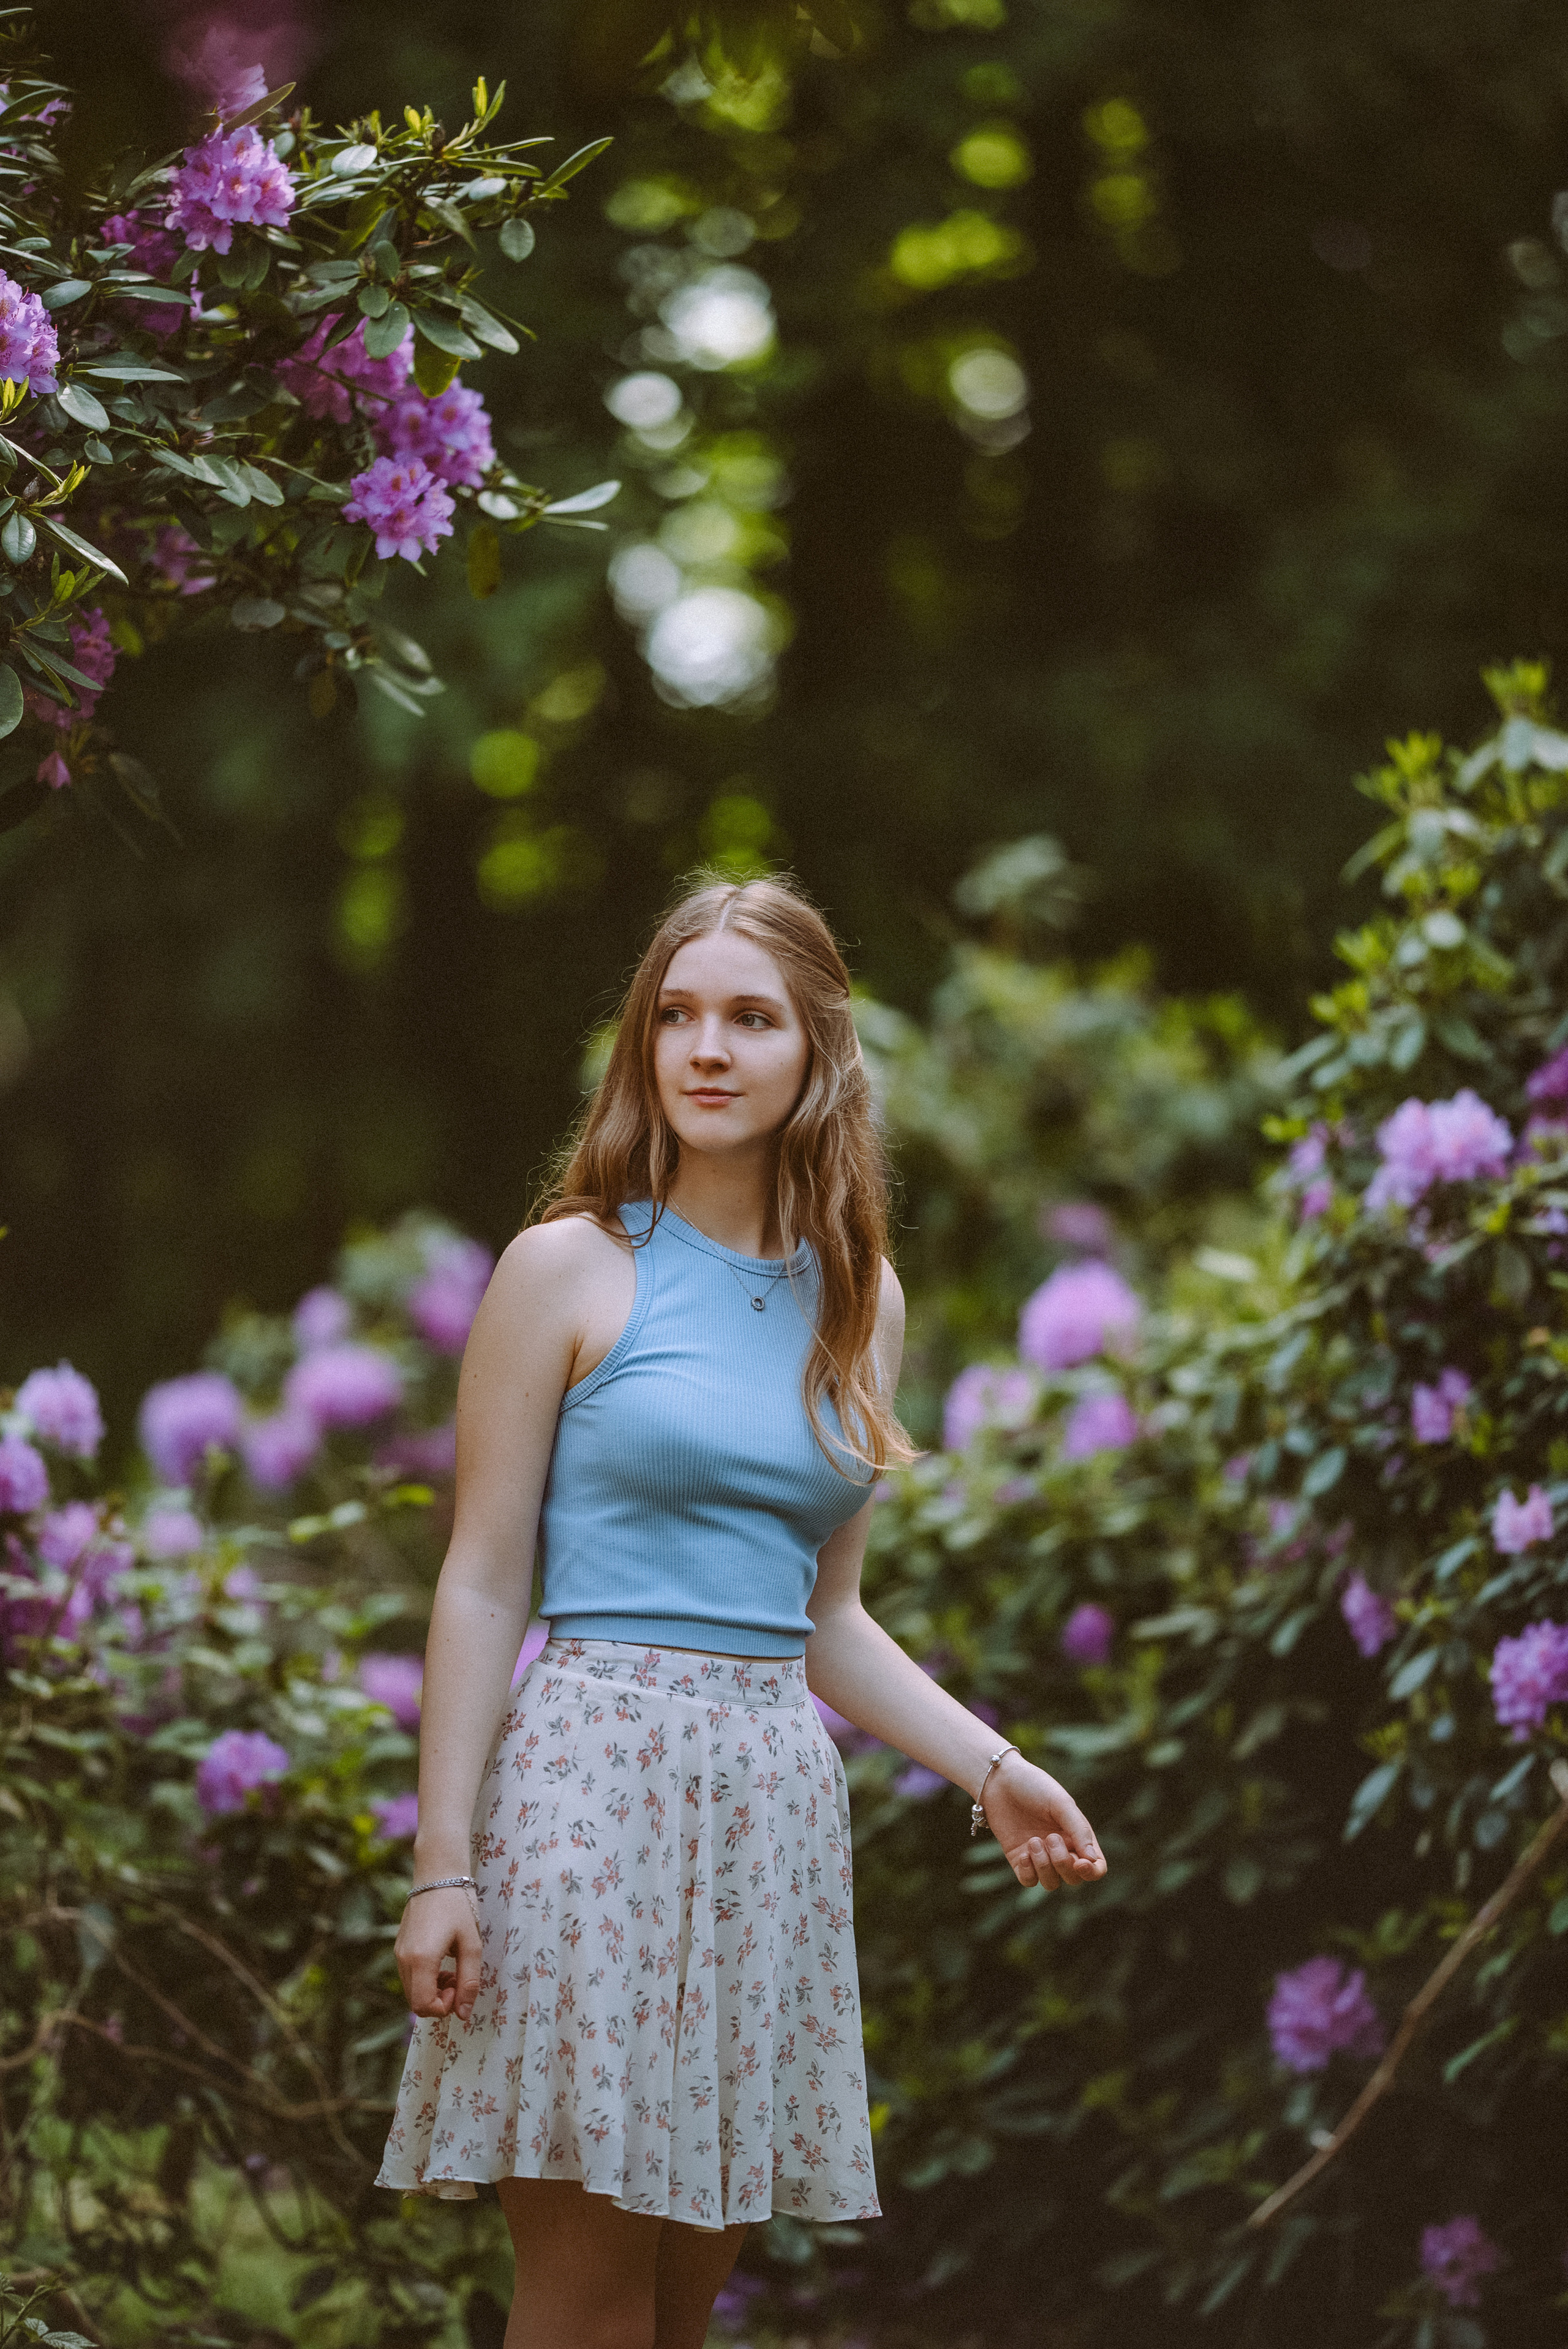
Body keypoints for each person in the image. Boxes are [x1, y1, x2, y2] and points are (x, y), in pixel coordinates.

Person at [377, 874, 1106, 2349]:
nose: (706, 1049)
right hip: (591, 1783)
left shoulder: (862, 1301)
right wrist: (442, 1866)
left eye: (750, 1019)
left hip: (767, 1811)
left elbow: (823, 1615)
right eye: (678, 1016)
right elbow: (481, 1574)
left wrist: (991, 1765)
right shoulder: (569, 1265)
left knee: (679, 2312)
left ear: (816, 1053)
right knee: (584, 2302)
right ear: (644, 1047)